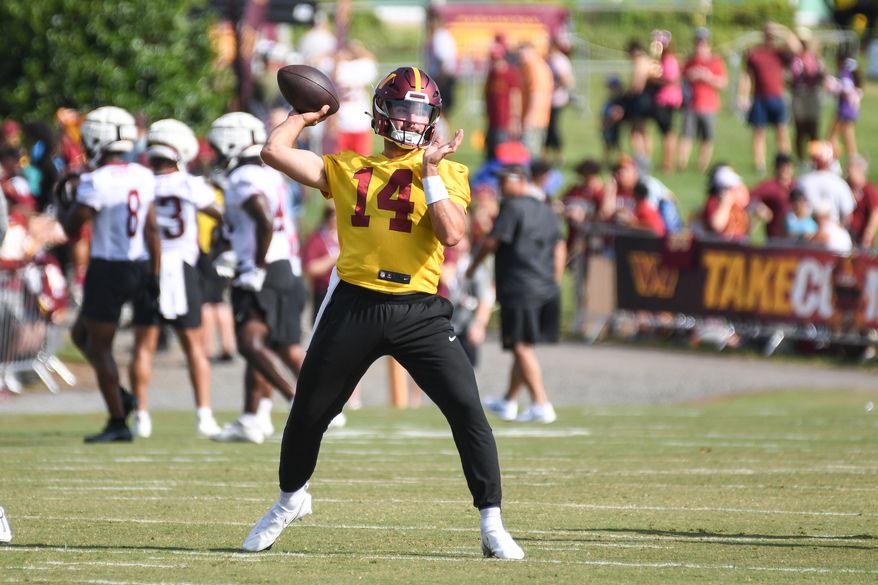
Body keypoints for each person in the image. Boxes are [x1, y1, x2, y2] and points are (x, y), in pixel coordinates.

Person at [249, 66, 525, 559]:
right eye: (400, 108)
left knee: (468, 412)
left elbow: (452, 234)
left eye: (418, 112)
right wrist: (304, 114)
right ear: (381, 113)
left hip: (420, 310)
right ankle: (290, 500)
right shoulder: (349, 167)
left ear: (432, 120)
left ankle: (492, 522)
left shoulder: (451, 172)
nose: (409, 119)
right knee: (308, 413)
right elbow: (273, 152)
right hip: (355, 302)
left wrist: (431, 173)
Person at [58, 106, 159, 443]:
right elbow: (152, 228)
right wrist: (155, 275)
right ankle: (123, 396)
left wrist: (65, 199)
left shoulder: (96, 180)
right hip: (140, 264)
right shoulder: (143, 175)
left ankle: (118, 420)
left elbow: (73, 226)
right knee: (80, 334)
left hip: (108, 266)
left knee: (100, 348)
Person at [207, 112, 308, 444]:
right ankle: (253, 416)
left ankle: (298, 400)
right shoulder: (269, 173)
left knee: (250, 344)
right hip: (284, 265)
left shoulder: (243, 177)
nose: (217, 155)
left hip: (263, 269)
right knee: (263, 345)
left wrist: (255, 266)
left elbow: (263, 219)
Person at [127, 119, 223, 439]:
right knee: (194, 346)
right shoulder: (189, 184)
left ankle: (141, 416)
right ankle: (204, 415)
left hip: (146, 266)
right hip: (181, 266)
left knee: (143, 346)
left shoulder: (139, 183)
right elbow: (219, 214)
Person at [469, 162, 564, 424]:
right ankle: (508, 402)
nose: (500, 185)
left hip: (519, 286)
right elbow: (560, 247)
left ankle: (541, 403)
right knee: (523, 346)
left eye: (505, 179)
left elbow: (492, 241)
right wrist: (553, 280)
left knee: (521, 347)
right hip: (545, 287)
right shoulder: (547, 208)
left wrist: (473, 267)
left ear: (520, 180)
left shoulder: (512, 206)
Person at [737, 22, 801, 173]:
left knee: (782, 131)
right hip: (760, 98)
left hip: (777, 97)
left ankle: (784, 162)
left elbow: (796, 47)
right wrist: (743, 95)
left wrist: (782, 30)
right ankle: (760, 164)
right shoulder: (755, 53)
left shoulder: (780, 52)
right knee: (759, 132)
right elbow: (747, 76)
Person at [678, 28, 727, 172]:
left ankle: (702, 166)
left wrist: (707, 77)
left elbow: (723, 83)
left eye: (703, 42)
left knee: (707, 138)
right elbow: (681, 79)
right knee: (686, 136)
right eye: (698, 41)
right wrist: (690, 76)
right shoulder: (690, 61)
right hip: (691, 105)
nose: (701, 45)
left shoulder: (716, 61)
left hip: (709, 106)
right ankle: (682, 165)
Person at [333, 40, 379, 156]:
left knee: (362, 159)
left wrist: (358, 49)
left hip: (360, 119)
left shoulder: (361, 65)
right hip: (342, 118)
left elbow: (371, 60)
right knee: (340, 160)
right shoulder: (338, 64)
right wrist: (338, 58)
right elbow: (333, 76)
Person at [798, 140, 855, 226]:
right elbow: (848, 214)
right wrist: (840, 230)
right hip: (834, 231)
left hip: (808, 234)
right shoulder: (839, 183)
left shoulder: (802, 182)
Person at [789, 28, 825, 162]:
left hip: (812, 95)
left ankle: (814, 158)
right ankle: (800, 159)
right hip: (799, 95)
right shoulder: (795, 58)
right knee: (800, 129)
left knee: (813, 129)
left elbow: (821, 75)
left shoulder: (815, 58)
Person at [649, 30, 683, 173]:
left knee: (668, 133)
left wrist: (653, 79)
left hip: (667, 100)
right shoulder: (662, 59)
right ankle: (666, 162)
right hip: (664, 100)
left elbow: (671, 79)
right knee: (666, 133)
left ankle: (669, 164)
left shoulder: (669, 60)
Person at [483, 41, 522, 161]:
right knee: (489, 151)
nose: (494, 63)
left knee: (501, 153)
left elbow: (515, 96)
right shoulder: (492, 73)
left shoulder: (510, 73)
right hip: (492, 121)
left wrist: (514, 118)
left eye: (496, 60)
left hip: (505, 121)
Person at [517, 42, 554, 158]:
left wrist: (529, 119)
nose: (519, 58)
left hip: (535, 120)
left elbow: (537, 95)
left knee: (529, 155)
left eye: (521, 54)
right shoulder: (528, 66)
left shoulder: (535, 68)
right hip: (533, 118)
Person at [749, 153, 796, 240]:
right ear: (777, 169)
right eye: (783, 168)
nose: (786, 171)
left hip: (796, 238)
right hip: (775, 238)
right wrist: (759, 208)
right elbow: (748, 197)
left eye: (788, 168)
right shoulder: (770, 186)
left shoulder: (796, 185)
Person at [826, 53, 863, 160]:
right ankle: (852, 160)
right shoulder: (853, 74)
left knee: (831, 138)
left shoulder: (844, 73)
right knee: (848, 138)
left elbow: (845, 88)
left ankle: (832, 160)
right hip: (851, 110)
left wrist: (833, 85)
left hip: (844, 110)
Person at [544, 35, 575, 163]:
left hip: (557, 99)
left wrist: (554, 88)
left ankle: (558, 154)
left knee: (553, 127)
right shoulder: (551, 59)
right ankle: (547, 154)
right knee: (548, 127)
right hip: (550, 99)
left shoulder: (558, 60)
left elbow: (565, 79)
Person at [702, 164, 750, 240]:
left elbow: (742, 230)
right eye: (731, 188)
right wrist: (725, 205)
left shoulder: (736, 205)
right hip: (720, 249)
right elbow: (717, 226)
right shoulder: (714, 202)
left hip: (738, 248)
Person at [425, 7, 458, 115]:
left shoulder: (440, 36)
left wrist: (436, 85)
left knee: (439, 115)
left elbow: (442, 61)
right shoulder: (439, 35)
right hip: (440, 80)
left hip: (441, 81)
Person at [846, 155, 878, 249]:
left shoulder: (868, 190)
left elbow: (875, 213)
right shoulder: (846, 187)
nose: (847, 174)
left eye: (850, 171)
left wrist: (868, 234)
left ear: (860, 171)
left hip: (861, 238)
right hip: (847, 235)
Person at [600, 75, 625, 166]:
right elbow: (603, 114)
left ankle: (622, 162)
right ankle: (606, 162)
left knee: (617, 145)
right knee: (607, 145)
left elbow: (618, 114)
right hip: (607, 126)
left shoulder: (620, 101)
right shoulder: (608, 100)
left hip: (615, 127)